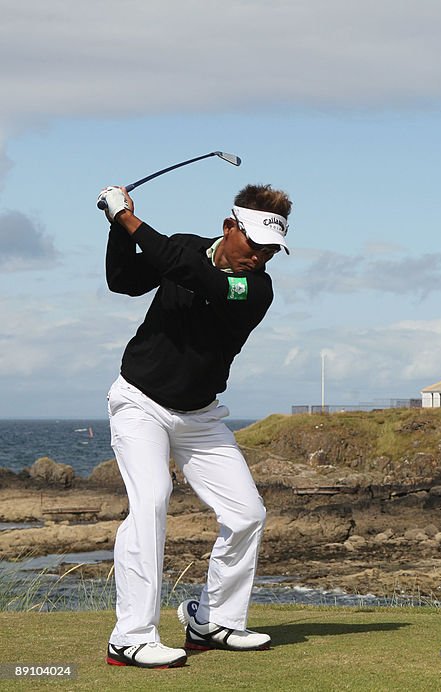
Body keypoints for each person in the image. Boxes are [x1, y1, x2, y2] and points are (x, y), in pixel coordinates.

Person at [98, 183, 291, 669]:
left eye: (271, 251)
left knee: (247, 513)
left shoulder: (255, 288)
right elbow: (123, 281)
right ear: (230, 228)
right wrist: (117, 229)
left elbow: (195, 276)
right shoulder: (182, 245)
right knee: (152, 502)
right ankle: (131, 636)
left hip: (201, 417)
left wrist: (128, 218)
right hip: (140, 402)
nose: (261, 257)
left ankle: (212, 621)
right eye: (255, 245)